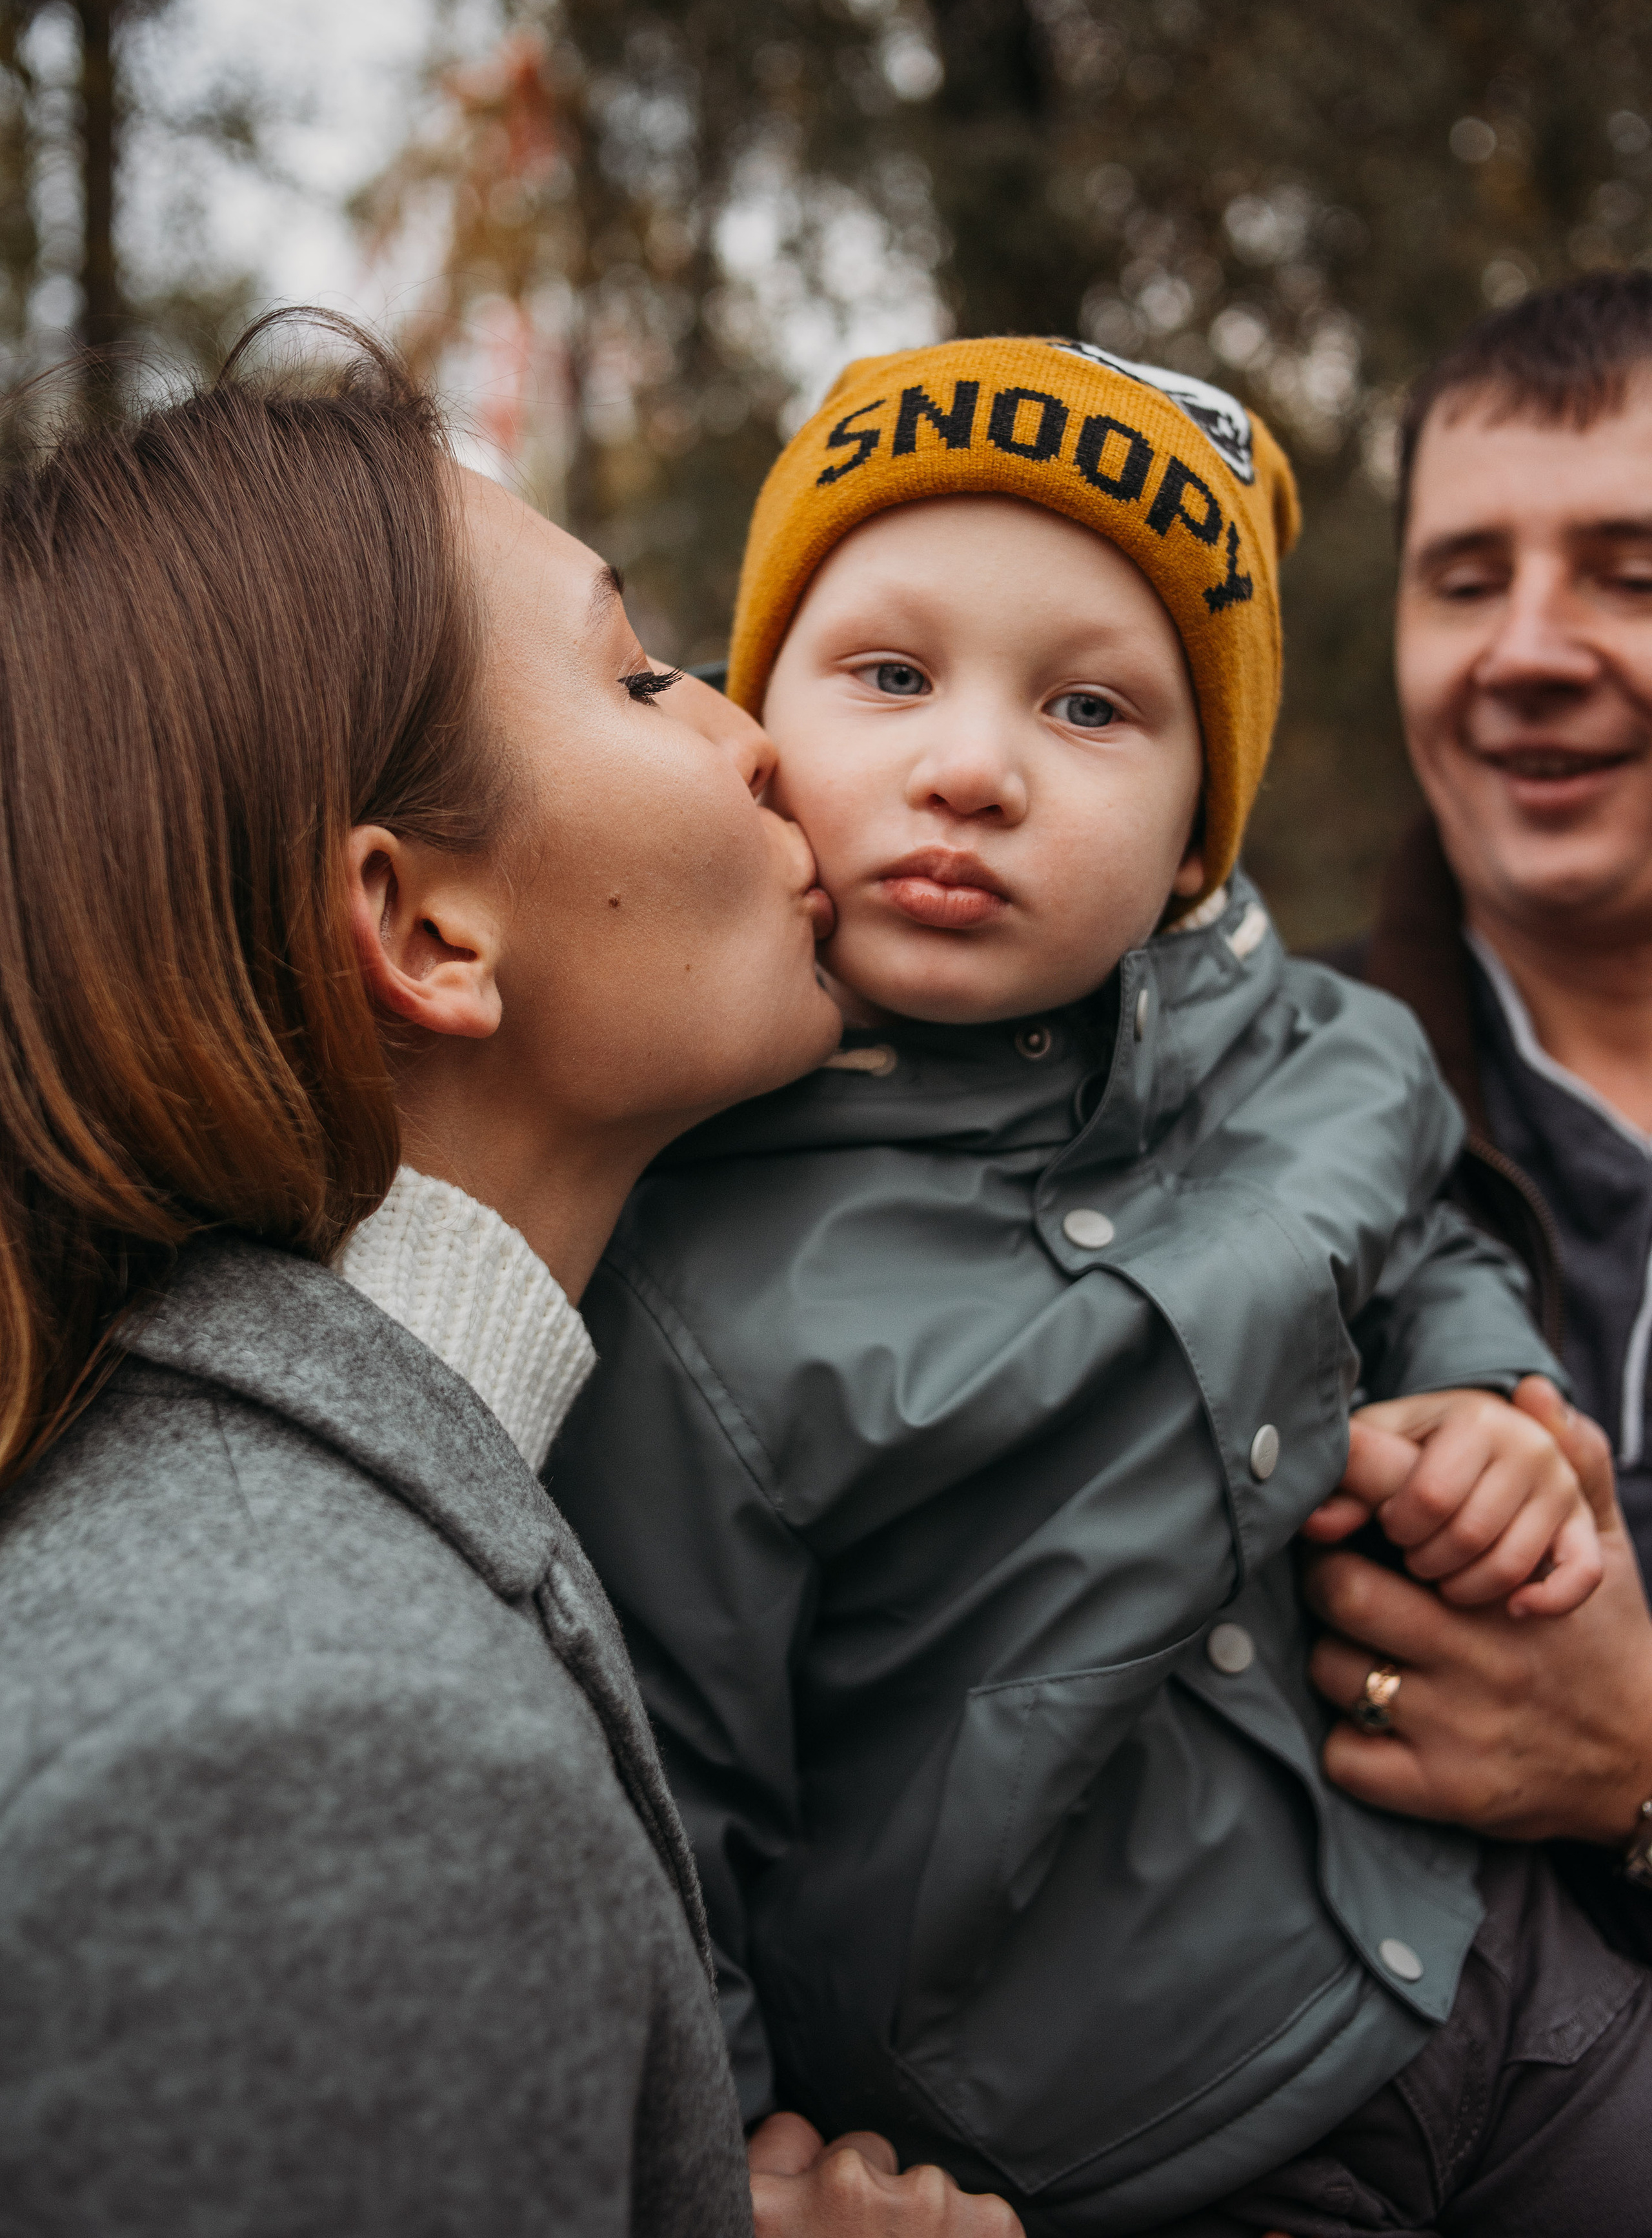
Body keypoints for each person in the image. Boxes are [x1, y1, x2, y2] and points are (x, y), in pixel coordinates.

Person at [552, 336, 1652, 2237]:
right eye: (889, 675)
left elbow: (1429, 1236)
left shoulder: (1325, 1059)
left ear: (1194, 839)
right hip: (1132, 2145)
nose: (969, 767)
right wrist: (721, 2169)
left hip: (1498, 1957)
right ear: (755, 732)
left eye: (1088, 708)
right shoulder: (686, 1253)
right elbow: (660, 1797)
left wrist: (1490, 1400)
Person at [0, 317, 1016, 2237]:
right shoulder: (307, 1769)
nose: (758, 735)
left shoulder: (283, 1545)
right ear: (420, 925)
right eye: (639, 680)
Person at [1308, 273, 1652, 1905]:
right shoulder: (1234, 1094)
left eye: (1629, 575)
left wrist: (1634, 1770)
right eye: (1461, 580)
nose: (1523, 653)